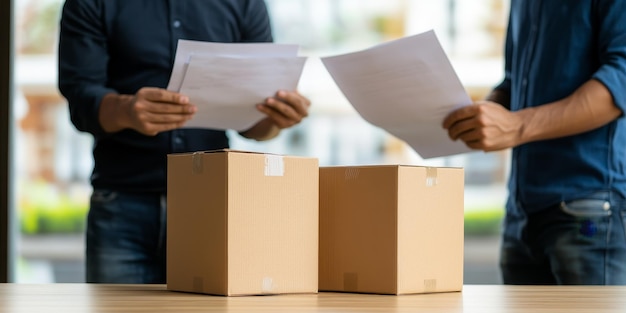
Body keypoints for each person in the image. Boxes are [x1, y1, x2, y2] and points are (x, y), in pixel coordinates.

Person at [57, 0, 311, 284]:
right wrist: (126, 110)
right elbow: (81, 100)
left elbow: (255, 127)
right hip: (122, 204)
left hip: (211, 205)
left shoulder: (245, 4)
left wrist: (277, 118)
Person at [443, 1, 626, 285]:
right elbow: (515, 82)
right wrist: (478, 117)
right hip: (521, 213)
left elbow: (621, 77)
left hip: (590, 210)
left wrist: (516, 126)